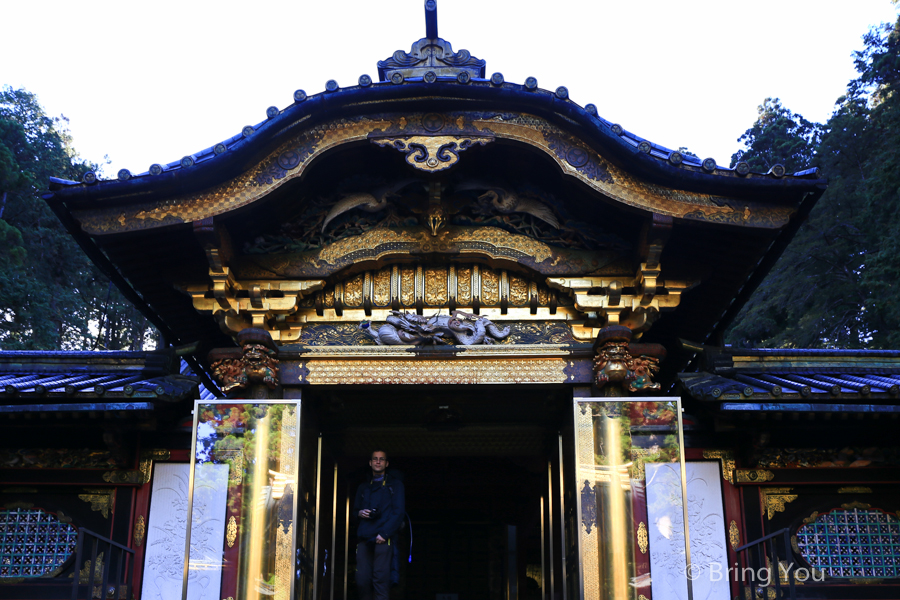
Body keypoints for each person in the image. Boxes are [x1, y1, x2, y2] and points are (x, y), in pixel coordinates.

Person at [354, 450, 405, 600]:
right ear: (370, 463)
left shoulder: (395, 485)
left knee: (381, 580)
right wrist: (359, 513)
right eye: (375, 459)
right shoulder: (363, 487)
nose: (378, 462)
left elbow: (398, 512)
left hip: (383, 537)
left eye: (381, 459)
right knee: (362, 580)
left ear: (386, 463)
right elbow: (354, 511)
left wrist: (384, 533)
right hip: (364, 536)